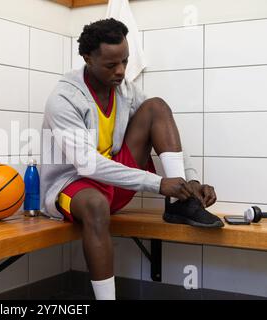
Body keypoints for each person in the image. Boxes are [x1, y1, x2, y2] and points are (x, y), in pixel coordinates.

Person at [39, 18, 223, 300]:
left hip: (113, 183)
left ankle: (183, 204)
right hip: (73, 188)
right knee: (97, 205)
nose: (121, 71)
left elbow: (159, 122)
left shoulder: (124, 89)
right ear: (87, 58)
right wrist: (158, 182)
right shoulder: (63, 99)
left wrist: (189, 181)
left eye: (124, 61)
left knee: (156, 107)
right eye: (111, 65)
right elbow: (87, 165)